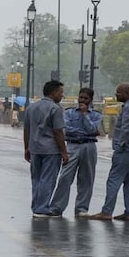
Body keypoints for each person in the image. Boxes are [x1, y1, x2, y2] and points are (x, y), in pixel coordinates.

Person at [90, 83, 129, 221]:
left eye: (119, 92)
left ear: (127, 93)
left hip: (127, 149)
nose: (116, 94)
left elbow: (126, 129)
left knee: (114, 179)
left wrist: (120, 146)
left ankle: (107, 211)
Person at [48, 87, 102, 217]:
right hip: (72, 146)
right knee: (65, 177)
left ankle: (81, 209)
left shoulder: (96, 115)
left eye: (85, 98)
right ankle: (56, 208)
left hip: (89, 146)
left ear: (90, 100)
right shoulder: (69, 113)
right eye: (81, 97)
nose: (82, 100)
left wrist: (85, 115)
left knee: (86, 179)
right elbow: (66, 129)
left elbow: (93, 129)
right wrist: (86, 132)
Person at [23, 80, 68, 218]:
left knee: (36, 179)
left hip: (35, 148)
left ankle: (36, 206)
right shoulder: (55, 109)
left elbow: (26, 129)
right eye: (60, 92)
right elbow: (58, 131)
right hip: (51, 149)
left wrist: (27, 147)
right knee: (48, 179)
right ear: (53, 92)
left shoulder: (31, 107)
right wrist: (64, 152)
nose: (62, 95)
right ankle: (42, 208)